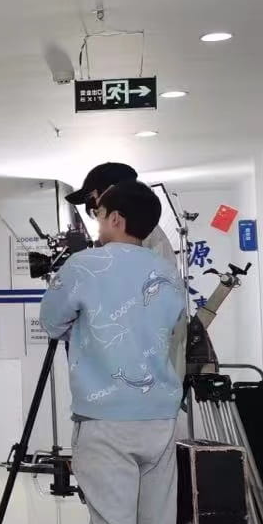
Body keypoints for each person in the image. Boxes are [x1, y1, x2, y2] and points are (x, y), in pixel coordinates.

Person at [39, 180, 186, 524]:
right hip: (160, 417)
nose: (97, 222)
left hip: (106, 420)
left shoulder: (83, 266)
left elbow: (51, 322)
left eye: (99, 213)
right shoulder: (166, 270)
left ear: (117, 218)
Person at [66, 160, 188, 380]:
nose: (95, 212)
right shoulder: (143, 235)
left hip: (144, 371)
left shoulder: (137, 239)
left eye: (95, 205)